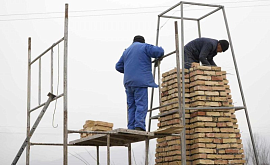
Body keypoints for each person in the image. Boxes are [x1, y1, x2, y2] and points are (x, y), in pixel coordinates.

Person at [115, 35, 164, 131]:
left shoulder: (126, 51)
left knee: (131, 106)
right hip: (140, 81)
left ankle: (131, 127)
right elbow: (159, 52)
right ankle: (139, 126)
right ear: (143, 41)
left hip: (128, 82)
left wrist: (130, 69)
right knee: (141, 104)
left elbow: (118, 66)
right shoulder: (144, 46)